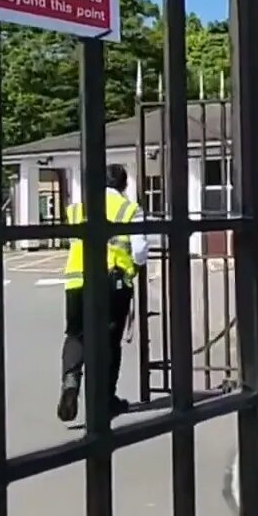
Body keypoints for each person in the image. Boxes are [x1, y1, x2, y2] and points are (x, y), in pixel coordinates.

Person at [56, 164, 149, 422]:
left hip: (76, 280)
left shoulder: (77, 208)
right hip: (111, 281)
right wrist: (134, 267)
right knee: (109, 343)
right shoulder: (130, 209)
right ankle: (105, 401)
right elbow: (140, 251)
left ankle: (71, 380)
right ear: (124, 185)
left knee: (75, 335)